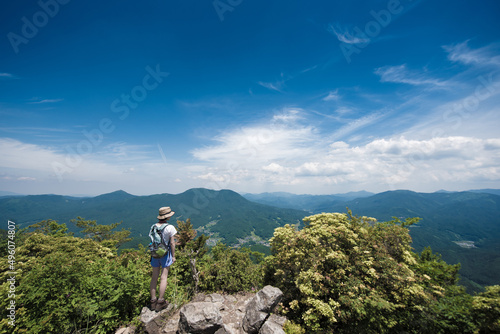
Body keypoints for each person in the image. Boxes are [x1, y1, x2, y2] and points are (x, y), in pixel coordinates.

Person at [149, 206, 177, 311]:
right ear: (168, 217)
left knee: (154, 277)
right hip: (165, 254)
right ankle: (160, 302)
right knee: (163, 277)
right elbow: (172, 243)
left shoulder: (153, 226)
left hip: (155, 254)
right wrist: (173, 256)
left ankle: (153, 301)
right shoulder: (170, 228)